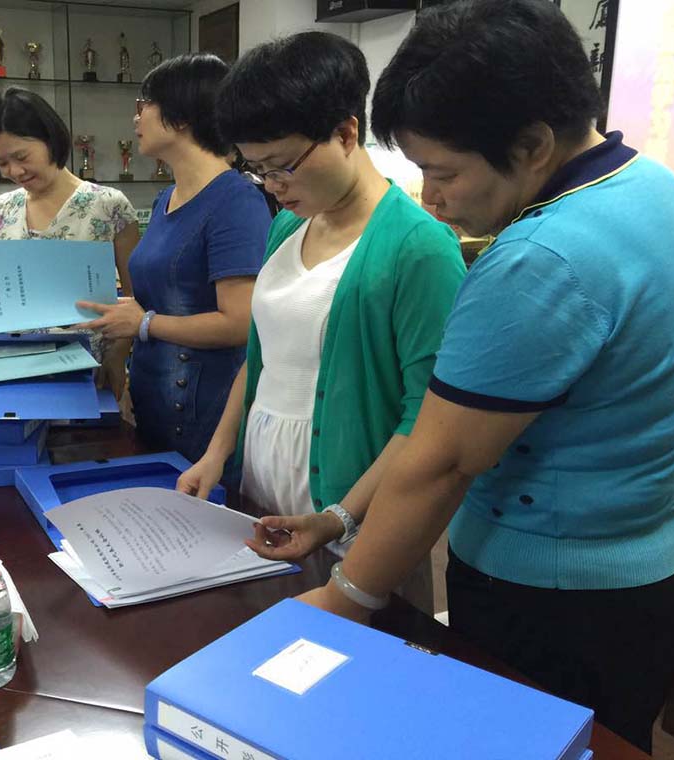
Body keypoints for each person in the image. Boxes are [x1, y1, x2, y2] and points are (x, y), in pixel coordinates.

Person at [248, 1, 674, 751]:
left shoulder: (538, 260)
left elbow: (442, 461)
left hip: (554, 591)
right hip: (656, 567)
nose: (431, 197)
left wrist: (347, 595)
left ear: (532, 144)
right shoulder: (660, 189)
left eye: (443, 171)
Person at [177, 32, 465, 604]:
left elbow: (426, 421)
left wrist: (339, 516)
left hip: (358, 515)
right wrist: (217, 452)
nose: (273, 187)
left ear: (346, 133)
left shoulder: (419, 248)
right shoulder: (289, 225)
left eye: (282, 166)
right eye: (257, 169)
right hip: (265, 484)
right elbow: (261, 357)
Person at [78, 54, 271, 463]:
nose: (136, 118)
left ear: (181, 117)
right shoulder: (167, 197)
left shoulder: (237, 202)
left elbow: (241, 323)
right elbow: (158, 296)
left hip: (202, 414)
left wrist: (144, 323)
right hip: (155, 400)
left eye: (144, 105)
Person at [0, 87, 139, 398]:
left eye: (22, 156)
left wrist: (118, 355)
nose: (15, 171)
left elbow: (136, 297)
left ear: (50, 139)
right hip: (18, 374)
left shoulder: (109, 205)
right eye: (2, 162)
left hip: (94, 372)